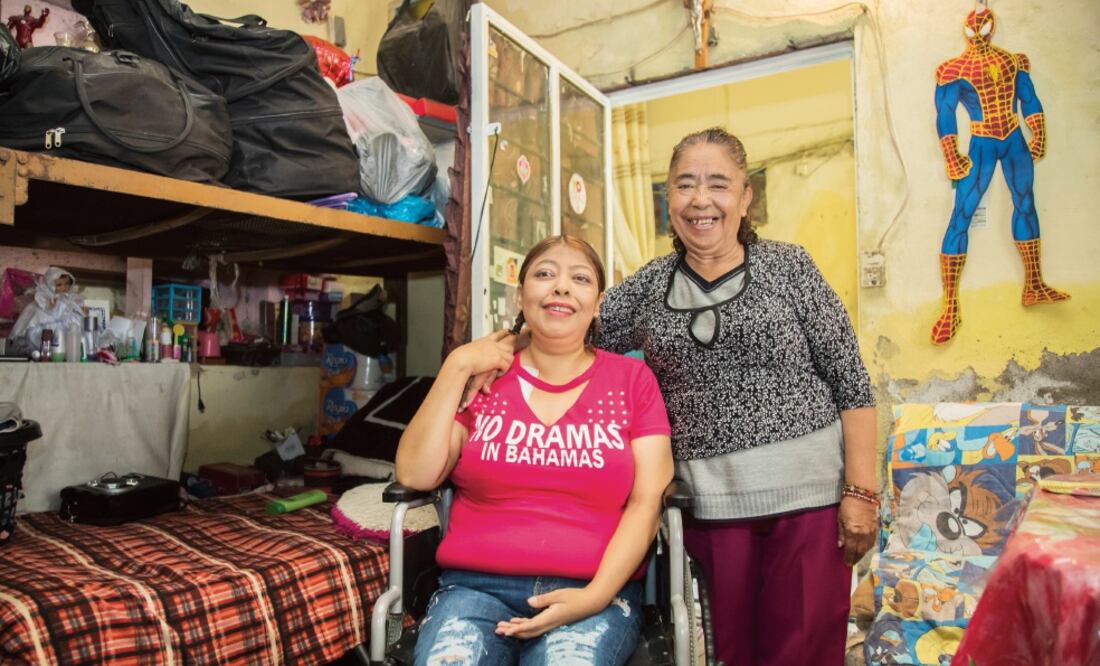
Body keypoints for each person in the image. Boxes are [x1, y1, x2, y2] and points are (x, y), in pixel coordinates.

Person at [597, 127, 878, 665]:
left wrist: (861, 494)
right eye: (685, 185)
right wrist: (485, 356)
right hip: (707, 510)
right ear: (669, 200)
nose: (701, 200)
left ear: (745, 197)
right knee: (729, 654)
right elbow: (572, 339)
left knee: (803, 654)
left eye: (718, 184)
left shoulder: (790, 267)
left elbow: (850, 380)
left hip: (810, 505)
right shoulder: (647, 287)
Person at [396, 235, 673, 666]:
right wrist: (458, 364)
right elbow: (415, 475)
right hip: (475, 590)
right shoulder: (482, 380)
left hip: (594, 591)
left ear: (598, 303)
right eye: (545, 274)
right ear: (521, 294)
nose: (561, 287)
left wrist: (595, 595)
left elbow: (647, 501)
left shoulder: (632, 381)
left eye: (579, 278)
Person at [930, 7, 1068, 344]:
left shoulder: (1013, 61)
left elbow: (1029, 99)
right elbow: (944, 113)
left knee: (1025, 203)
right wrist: (951, 154)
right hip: (983, 143)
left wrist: (1039, 134)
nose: (978, 32)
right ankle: (950, 307)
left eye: (983, 26)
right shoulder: (953, 70)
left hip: (1012, 138)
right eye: (973, 28)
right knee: (961, 214)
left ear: (991, 28)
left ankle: (1033, 284)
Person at [9, 266, 84, 355]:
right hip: (46, 333)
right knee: (43, 336)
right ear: (50, 285)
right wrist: (51, 307)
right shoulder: (42, 300)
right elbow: (33, 318)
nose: (64, 287)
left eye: (67, 283)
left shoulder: (71, 300)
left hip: (67, 334)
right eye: (59, 285)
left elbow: (77, 317)